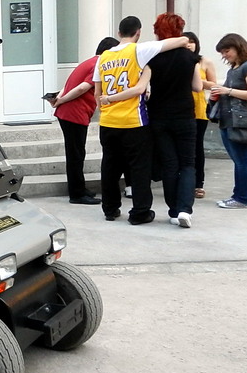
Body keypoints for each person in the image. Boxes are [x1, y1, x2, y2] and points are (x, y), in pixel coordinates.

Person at [93, 15, 189, 225]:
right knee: (139, 167)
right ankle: (140, 211)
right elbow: (179, 41)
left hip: (108, 121)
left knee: (109, 166)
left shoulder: (103, 57)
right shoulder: (138, 50)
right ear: (138, 33)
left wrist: (105, 109)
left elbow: (97, 93)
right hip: (133, 120)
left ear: (119, 33)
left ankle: (110, 208)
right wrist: (185, 41)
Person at [145, 13, 203, 229]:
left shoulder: (152, 56)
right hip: (185, 115)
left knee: (169, 164)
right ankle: (185, 209)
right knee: (188, 164)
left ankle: (173, 210)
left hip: (159, 115)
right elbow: (197, 86)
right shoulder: (190, 57)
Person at [51, 36, 119, 205]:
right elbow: (82, 88)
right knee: (76, 154)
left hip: (69, 113)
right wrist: (61, 100)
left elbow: (69, 85)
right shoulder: (98, 64)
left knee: (77, 153)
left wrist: (59, 99)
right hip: (74, 114)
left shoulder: (88, 62)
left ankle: (80, 189)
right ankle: (76, 194)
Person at [210, 33, 247, 209]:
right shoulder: (234, 68)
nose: (224, 55)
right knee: (239, 160)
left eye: (227, 51)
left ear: (238, 47)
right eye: (222, 53)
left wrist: (228, 91)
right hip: (229, 120)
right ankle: (238, 196)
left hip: (241, 120)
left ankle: (243, 198)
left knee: (243, 160)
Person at [184, 31, 217, 200]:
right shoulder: (178, 60)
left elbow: (213, 85)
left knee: (197, 147)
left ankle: (199, 184)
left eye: (192, 41)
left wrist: (196, 80)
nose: (189, 44)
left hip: (198, 110)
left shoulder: (204, 62)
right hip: (181, 109)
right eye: (186, 41)